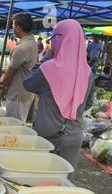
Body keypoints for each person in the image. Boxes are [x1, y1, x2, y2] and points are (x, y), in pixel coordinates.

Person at [23, 19, 94, 169]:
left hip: (47, 137)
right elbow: (88, 103)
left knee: (42, 181)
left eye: (53, 38)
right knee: (63, 183)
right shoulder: (88, 73)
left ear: (59, 40)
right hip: (74, 136)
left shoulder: (49, 68)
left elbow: (27, 83)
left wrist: (46, 58)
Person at [0, 13, 38, 123]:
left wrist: (2, 85)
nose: (12, 28)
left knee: (14, 126)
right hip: (26, 92)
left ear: (19, 28)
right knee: (20, 124)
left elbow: (9, 73)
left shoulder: (22, 48)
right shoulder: (32, 43)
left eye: (13, 26)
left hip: (18, 94)